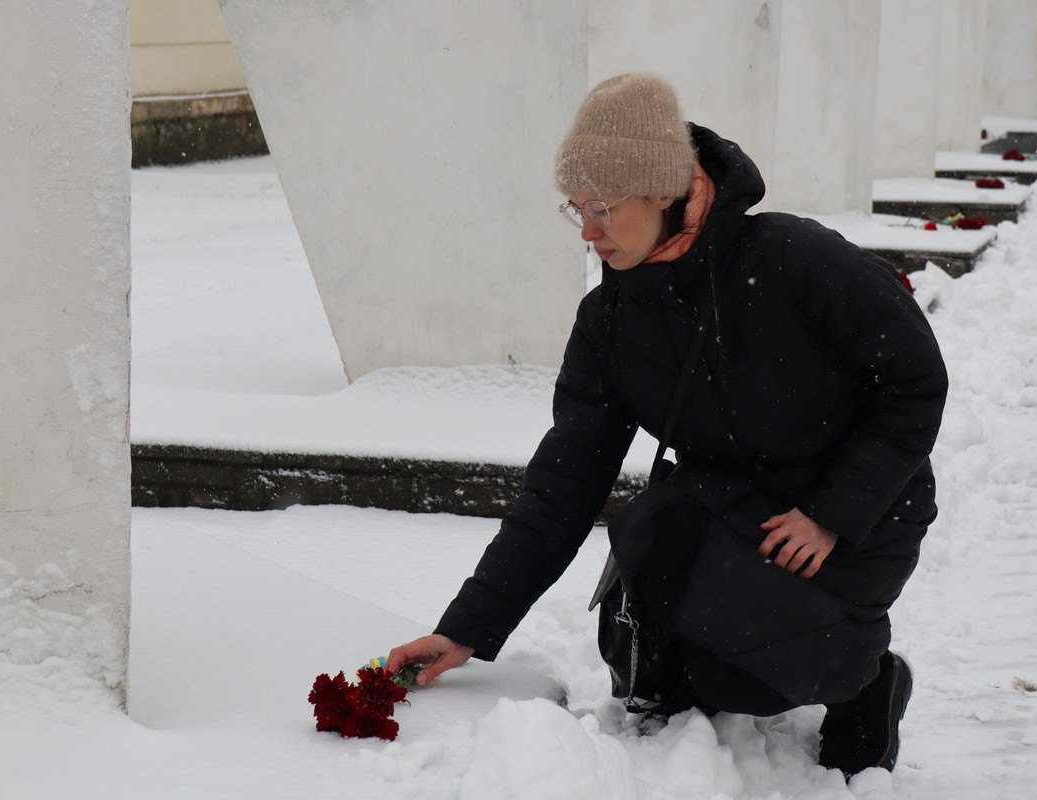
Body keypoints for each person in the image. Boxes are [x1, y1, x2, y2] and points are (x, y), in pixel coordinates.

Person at [387, 73, 947, 778]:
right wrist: (468, 628)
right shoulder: (611, 322)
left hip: (861, 513)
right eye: (574, 209)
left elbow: (916, 380)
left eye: (602, 208)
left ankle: (866, 680)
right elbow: (565, 483)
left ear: (662, 192)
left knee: (759, 678)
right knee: (661, 603)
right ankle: (762, 653)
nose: (587, 232)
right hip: (739, 513)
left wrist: (831, 514)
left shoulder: (793, 260)